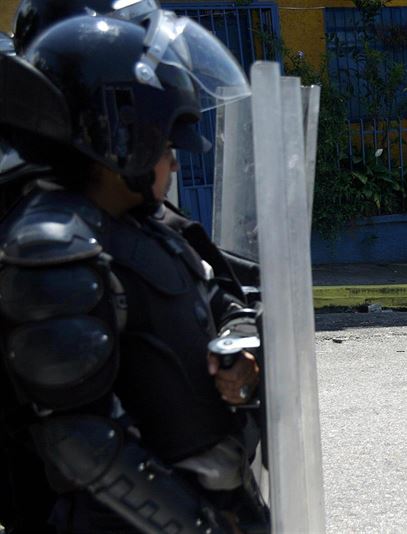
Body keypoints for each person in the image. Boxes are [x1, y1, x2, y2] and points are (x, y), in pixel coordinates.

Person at [0, 10, 269, 533]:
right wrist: (197, 525)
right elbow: (79, 442)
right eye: (167, 145)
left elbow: (222, 302)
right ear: (122, 137)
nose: (175, 162)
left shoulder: (148, 228)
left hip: (215, 495)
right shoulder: (52, 246)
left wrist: (241, 347)